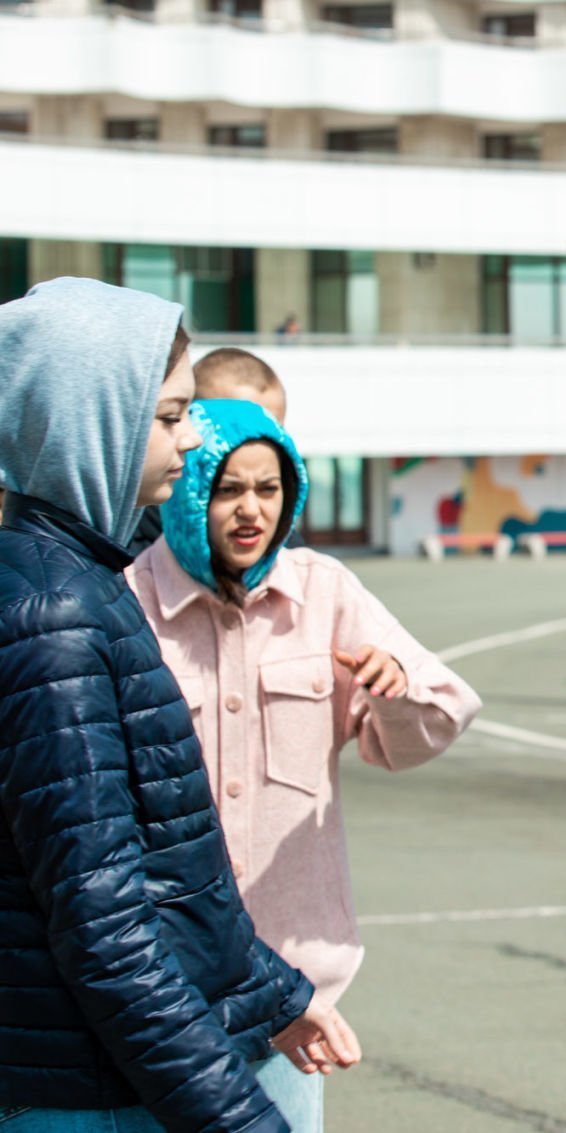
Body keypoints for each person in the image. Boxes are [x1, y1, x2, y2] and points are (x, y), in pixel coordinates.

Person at [0, 278, 357, 1132]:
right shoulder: (57, 616)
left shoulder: (84, 579)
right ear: (93, 422)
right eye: (169, 415)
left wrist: (271, 993)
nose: (191, 436)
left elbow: (170, 867)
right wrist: (238, 1118)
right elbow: (107, 926)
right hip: (92, 1093)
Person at [126, 397, 482, 1132]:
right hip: (160, 990)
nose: (251, 510)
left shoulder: (324, 591)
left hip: (291, 1001)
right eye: (228, 488)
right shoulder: (128, 599)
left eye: (269, 488)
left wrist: (395, 688)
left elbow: (437, 719)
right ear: (188, 491)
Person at [129, 348, 289, 556]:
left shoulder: (293, 557)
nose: (260, 448)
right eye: (239, 430)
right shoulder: (127, 544)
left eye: (274, 433)